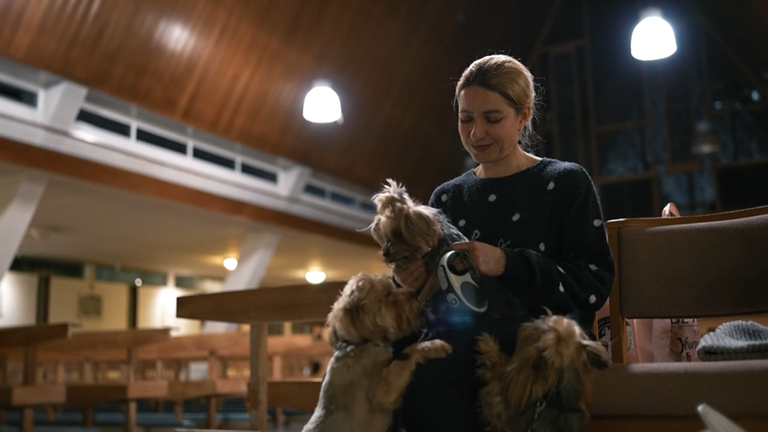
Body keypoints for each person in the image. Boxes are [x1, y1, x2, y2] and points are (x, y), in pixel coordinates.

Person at [389, 54, 615, 432]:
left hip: (541, 341)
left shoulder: (564, 183)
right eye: (465, 119)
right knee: (392, 353)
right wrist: (409, 283)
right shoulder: (446, 197)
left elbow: (593, 284)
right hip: (459, 337)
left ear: (524, 115)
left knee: (438, 364)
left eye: (492, 119)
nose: (476, 133)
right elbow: (436, 296)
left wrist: (509, 263)